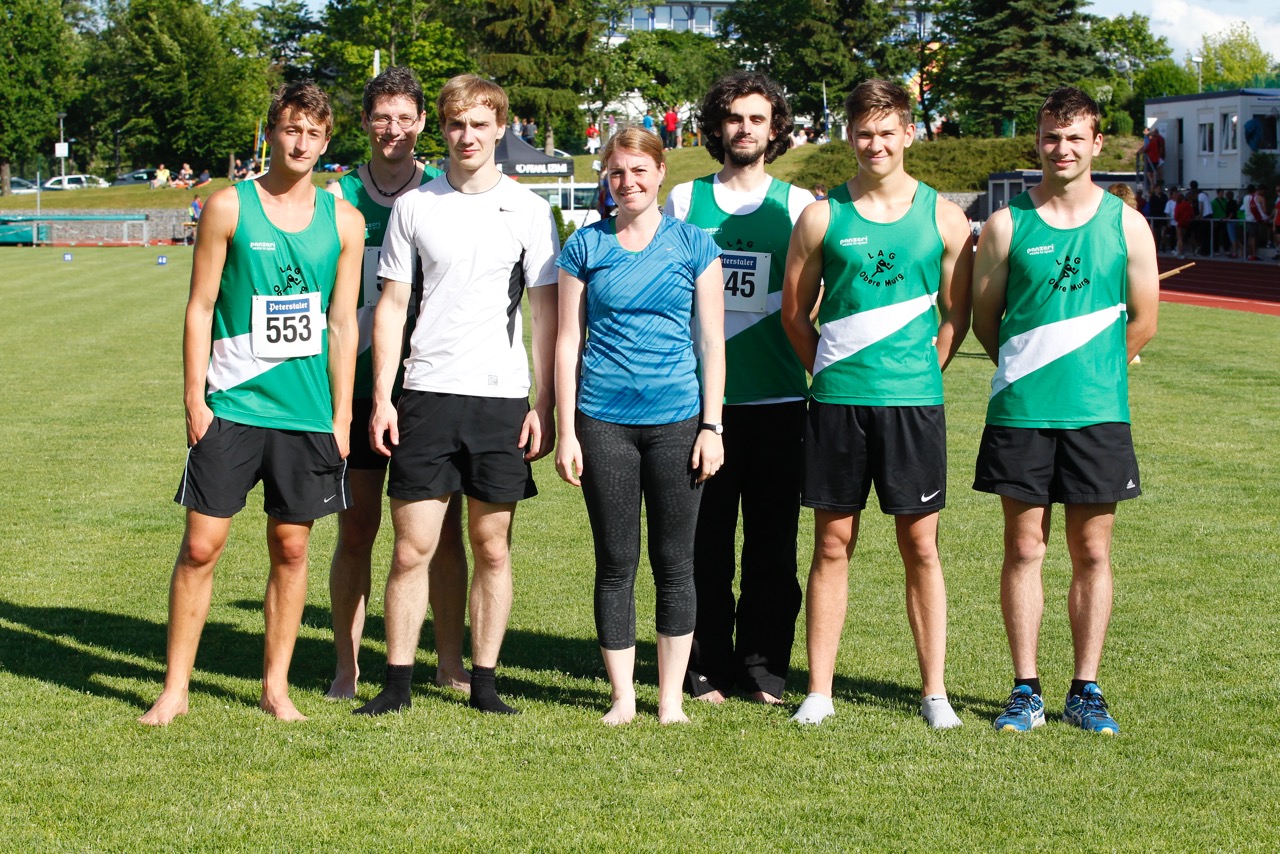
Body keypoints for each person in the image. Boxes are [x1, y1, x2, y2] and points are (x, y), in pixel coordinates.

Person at [140, 80, 364, 725]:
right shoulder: (227, 207)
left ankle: (276, 686)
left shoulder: (343, 220)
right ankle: (175, 689)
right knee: (202, 545)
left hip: (307, 414)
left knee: (292, 548)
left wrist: (342, 414)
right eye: (291, 130)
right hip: (233, 406)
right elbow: (200, 306)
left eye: (314, 133)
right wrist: (193, 398)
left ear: (327, 141)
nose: (302, 143)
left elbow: (343, 324)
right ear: (272, 133)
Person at [355, 74, 560, 717]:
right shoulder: (418, 206)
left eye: (479, 124)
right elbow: (390, 307)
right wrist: (384, 398)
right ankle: (396, 682)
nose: (466, 136)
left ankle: (487, 681)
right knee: (411, 547)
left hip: (499, 401)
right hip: (425, 396)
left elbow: (546, 315)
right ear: (440, 131)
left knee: (492, 546)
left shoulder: (528, 209)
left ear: (501, 128)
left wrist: (544, 404)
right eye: (455, 125)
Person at [781, 79, 972, 729]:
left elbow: (955, 318)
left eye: (887, 132)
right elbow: (794, 314)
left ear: (909, 134)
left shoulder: (946, 217)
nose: (875, 144)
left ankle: (935, 693)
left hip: (913, 404)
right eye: (864, 132)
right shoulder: (821, 215)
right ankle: (819, 690)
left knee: (921, 546)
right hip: (837, 403)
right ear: (849, 136)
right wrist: (833, 373)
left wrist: (917, 372)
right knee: (832, 544)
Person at [971, 87, 1158, 735]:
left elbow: (1144, 321)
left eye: (1075, 137)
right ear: (1039, 141)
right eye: (1052, 136)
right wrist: (1034, 366)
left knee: (1091, 550)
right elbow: (985, 322)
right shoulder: (1005, 225)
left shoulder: (1126, 224)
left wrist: (1096, 371)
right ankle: (1025, 689)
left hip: (1097, 414)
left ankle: (1086, 689)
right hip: (1022, 411)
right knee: (1024, 548)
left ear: (1097, 144)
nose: (1062, 148)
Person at [555, 127, 725, 725]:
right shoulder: (584, 246)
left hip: (679, 421)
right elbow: (567, 339)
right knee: (615, 562)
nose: (627, 182)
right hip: (603, 423)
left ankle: (671, 699)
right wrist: (568, 429)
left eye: (639, 171)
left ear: (660, 174)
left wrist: (713, 426)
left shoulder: (694, 244)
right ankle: (623, 696)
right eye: (617, 172)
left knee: (675, 563)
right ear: (607, 177)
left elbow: (711, 340)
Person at [662, 72, 814, 707]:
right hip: (702, 408)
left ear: (775, 128)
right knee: (704, 547)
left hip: (781, 401)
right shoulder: (681, 201)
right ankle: (703, 669)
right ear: (716, 126)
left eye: (758, 118)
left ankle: (763, 670)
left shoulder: (801, 203)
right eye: (734, 118)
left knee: (773, 551)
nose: (745, 129)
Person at [324, 66, 470, 702]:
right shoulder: (335, 198)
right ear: (365, 122)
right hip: (353, 386)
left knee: (441, 535)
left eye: (405, 116)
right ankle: (347, 667)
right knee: (356, 530)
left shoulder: (443, 195)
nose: (393, 128)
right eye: (381, 116)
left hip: (432, 386)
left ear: (422, 124)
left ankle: (449, 664)